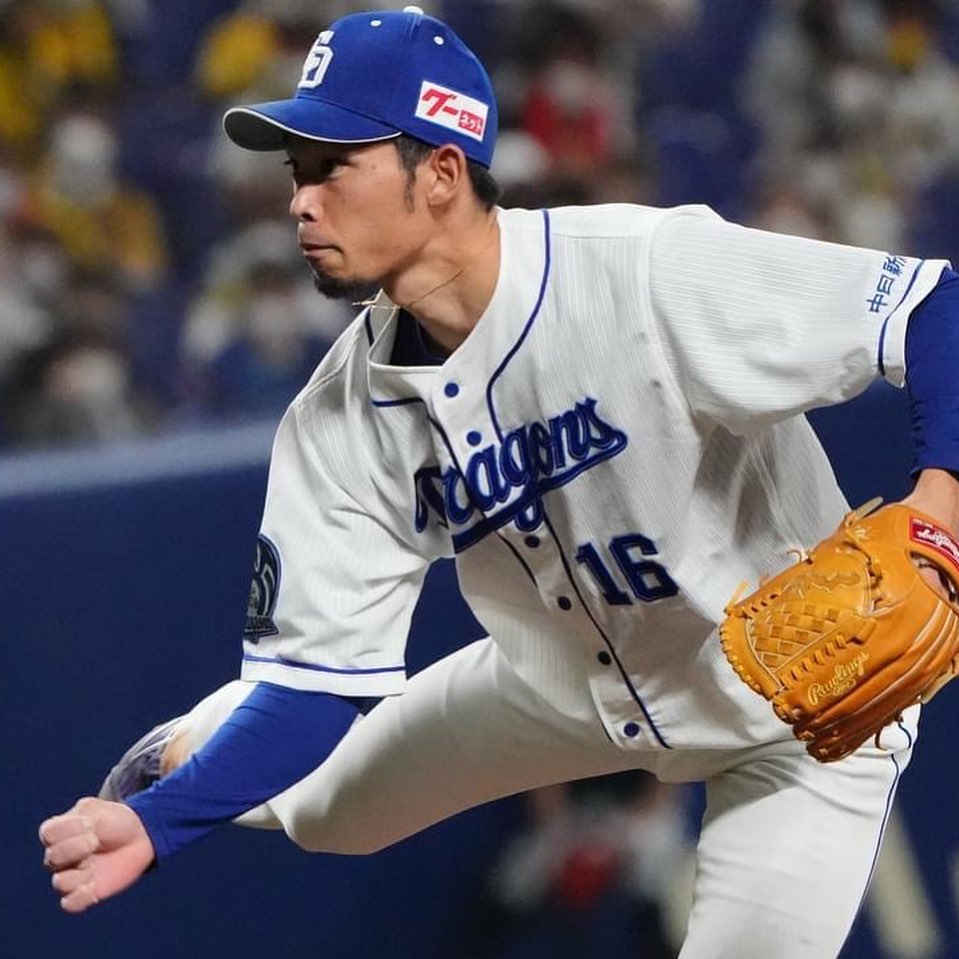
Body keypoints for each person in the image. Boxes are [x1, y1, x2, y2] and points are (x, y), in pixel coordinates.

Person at [38, 7, 959, 957]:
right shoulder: (337, 418)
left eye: (333, 165)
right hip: (559, 681)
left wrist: (941, 508)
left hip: (798, 715)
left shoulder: (640, 271)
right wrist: (159, 820)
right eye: (296, 171)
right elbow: (312, 690)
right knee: (328, 812)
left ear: (440, 172)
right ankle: (187, 743)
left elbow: (932, 304)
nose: (300, 202)